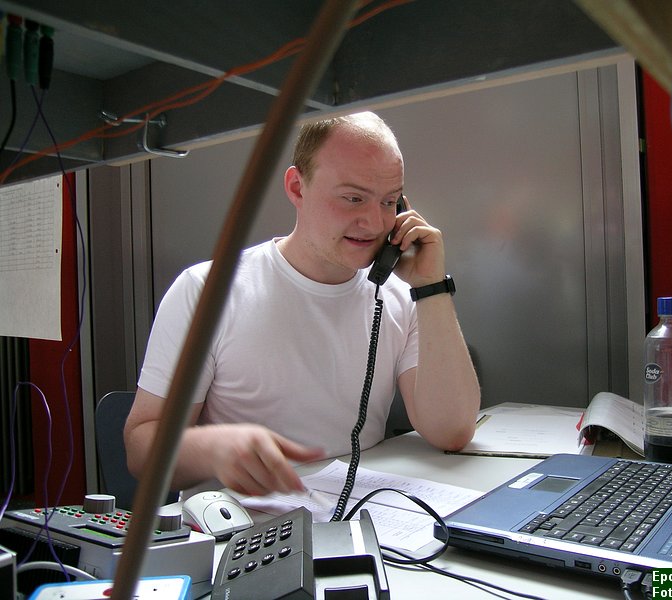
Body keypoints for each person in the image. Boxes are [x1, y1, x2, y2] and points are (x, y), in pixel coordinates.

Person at [123, 111, 480, 497]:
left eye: (389, 201)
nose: (376, 223)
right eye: (353, 198)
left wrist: (431, 288)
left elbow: (451, 431)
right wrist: (211, 449)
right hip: (244, 523)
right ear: (297, 187)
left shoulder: (396, 294)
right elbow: (141, 451)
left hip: (359, 516)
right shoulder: (207, 291)